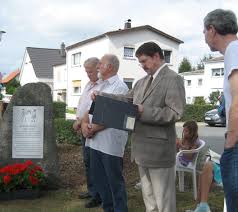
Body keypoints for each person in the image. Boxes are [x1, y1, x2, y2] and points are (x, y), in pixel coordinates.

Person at [93, 42, 186, 212]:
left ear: (156, 56)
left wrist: (144, 111)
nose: (142, 66)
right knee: (149, 202)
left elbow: (175, 112)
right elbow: (127, 100)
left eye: (144, 61)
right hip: (141, 151)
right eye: (140, 62)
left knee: (164, 203)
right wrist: (102, 96)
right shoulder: (141, 82)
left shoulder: (173, 79)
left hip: (159, 152)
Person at [81, 54, 129, 212]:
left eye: (101, 64)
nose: (98, 66)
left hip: (110, 144)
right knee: (100, 181)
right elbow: (91, 110)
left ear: (110, 67)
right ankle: (108, 209)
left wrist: (91, 129)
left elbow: (114, 116)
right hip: (96, 142)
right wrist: (84, 124)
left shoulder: (120, 87)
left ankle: (120, 209)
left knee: (114, 182)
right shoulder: (102, 86)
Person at [203, 9, 238, 211]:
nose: (204, 36)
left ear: (212, 29)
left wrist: (230, 143)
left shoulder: (233, 49)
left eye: (204, 31)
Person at [72, 57, 102, 208]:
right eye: (86, 71)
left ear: (98, 68)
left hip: (93, 129)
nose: (87, 74)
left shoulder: (101, 86)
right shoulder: (89, 85)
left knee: (95, 164)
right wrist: (78, 119)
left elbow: (93, 109)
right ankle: (92, 190)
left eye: (90, 71)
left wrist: (81, 122)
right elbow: (82, 104)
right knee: (88, 162)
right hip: (84, 127)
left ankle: (98, 195)